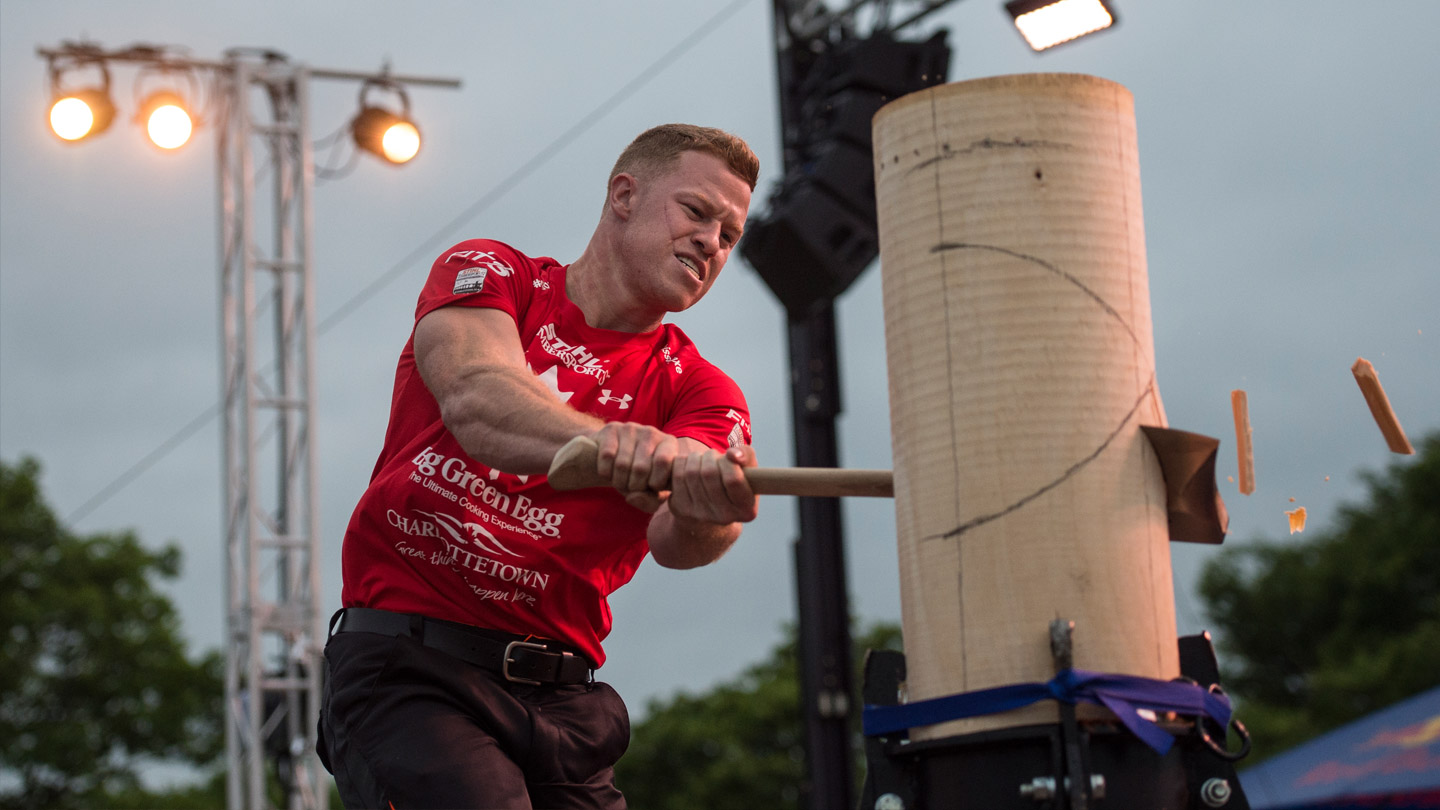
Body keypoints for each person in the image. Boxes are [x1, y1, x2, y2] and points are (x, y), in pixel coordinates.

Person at [318, 123, 762, 809]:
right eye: (697, 212)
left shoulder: (702, 391)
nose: (712, 242)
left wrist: (709, 512)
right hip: (414, 670)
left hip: (565, 700)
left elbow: (681, 542)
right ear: (624, 196)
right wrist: (613, 444)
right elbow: (477, 399)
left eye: (729, 235)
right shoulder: (495, 274)